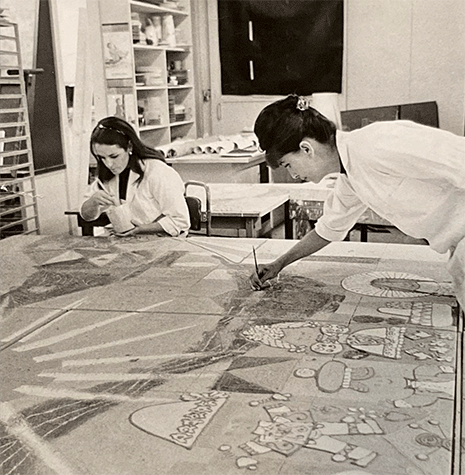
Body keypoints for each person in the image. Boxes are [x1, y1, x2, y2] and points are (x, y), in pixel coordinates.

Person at [249, 94, 465, 310]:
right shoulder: (350, 175)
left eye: (287, 165)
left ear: (307, 149)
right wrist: (279, 264)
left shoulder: (378, 143)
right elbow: (328, 229)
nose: (293, 175)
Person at [80, 116, 190, 237]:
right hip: (127, 243)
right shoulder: (107, 175)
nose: (108, 164)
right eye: (101, 158)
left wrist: (141, 229)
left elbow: (180, 221)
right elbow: (86, 216)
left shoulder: (157, 172)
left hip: (161, 242)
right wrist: (93, 202)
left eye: (114, 156)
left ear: (130, 147)